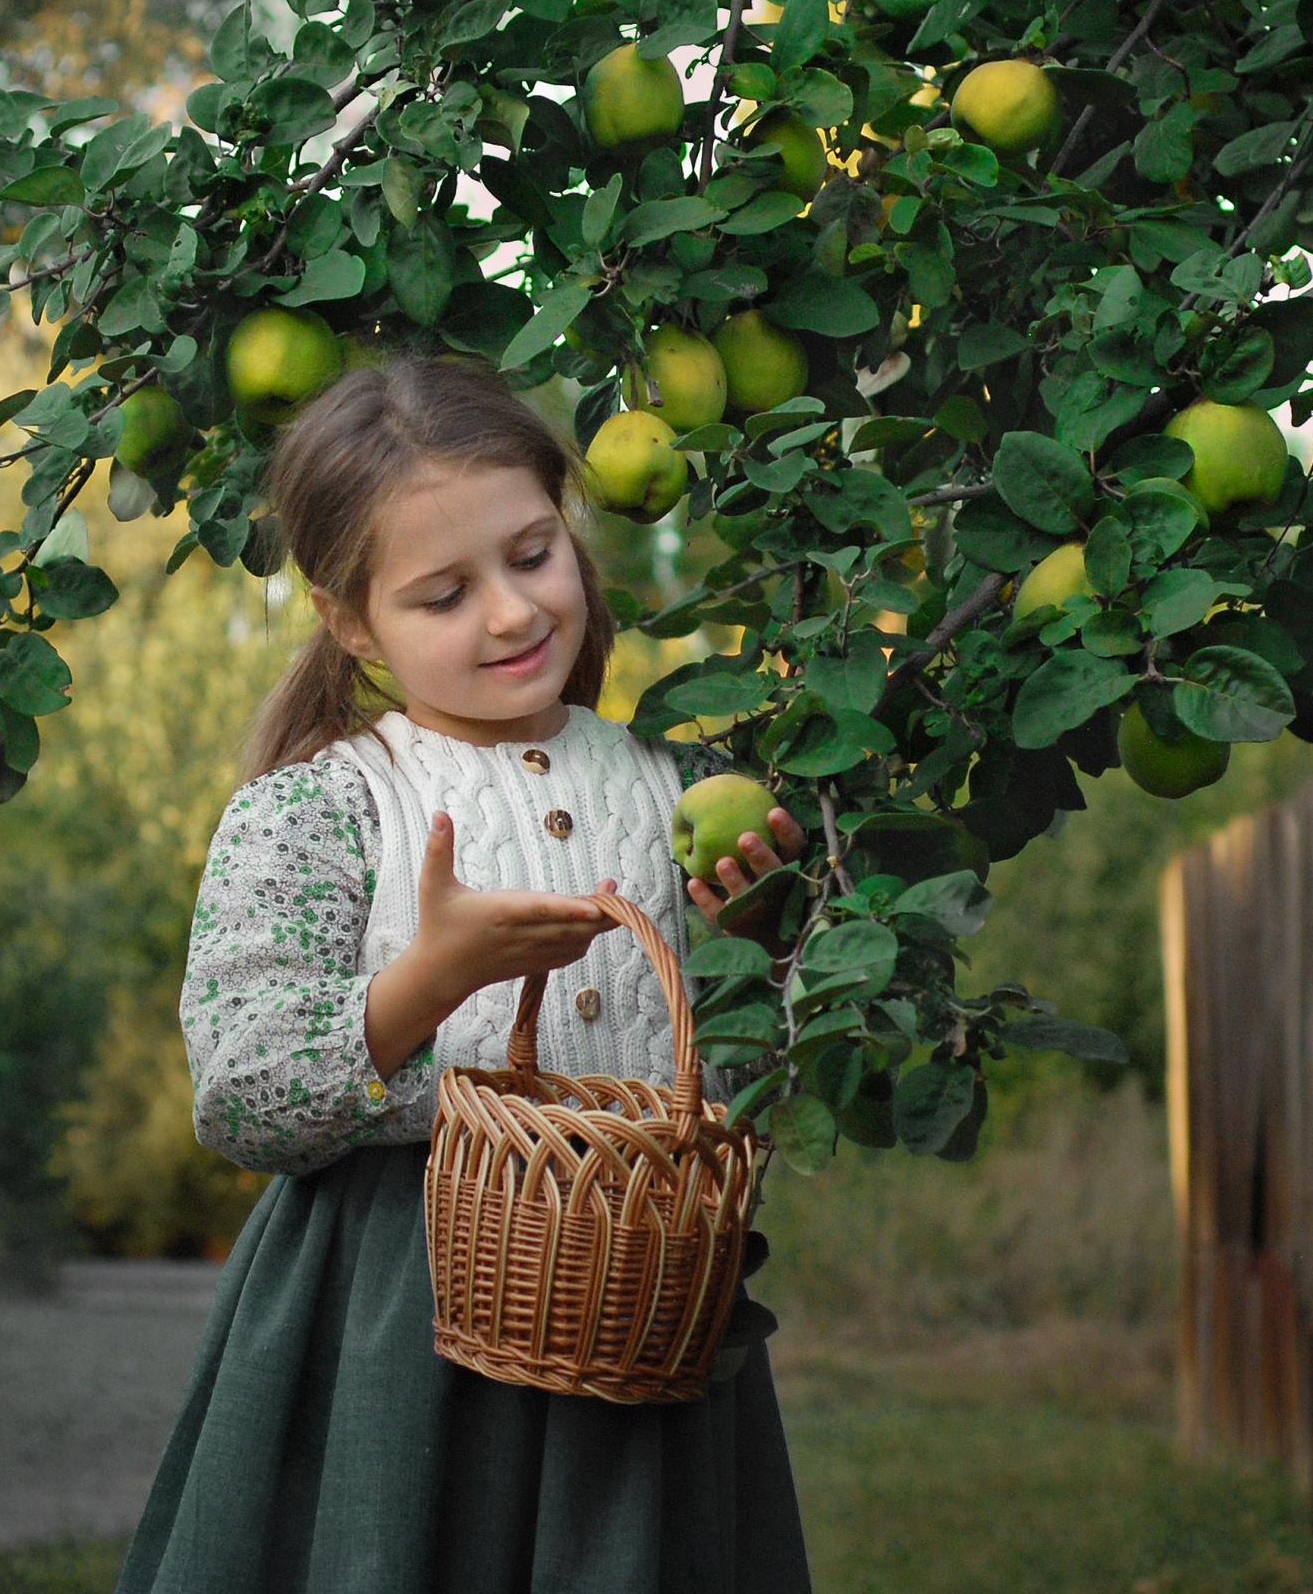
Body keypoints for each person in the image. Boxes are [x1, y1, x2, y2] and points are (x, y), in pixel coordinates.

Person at [115, 355, 816, 1594]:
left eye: (533, 555)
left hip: (639, 1293)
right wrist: (428, 979)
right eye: (442, 594)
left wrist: (760, 943)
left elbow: (761, 1072)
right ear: (350, 620)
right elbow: (245, 1097)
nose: (509, 613)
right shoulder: (319, 810)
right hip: (389, 1315)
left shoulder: (682, 786)